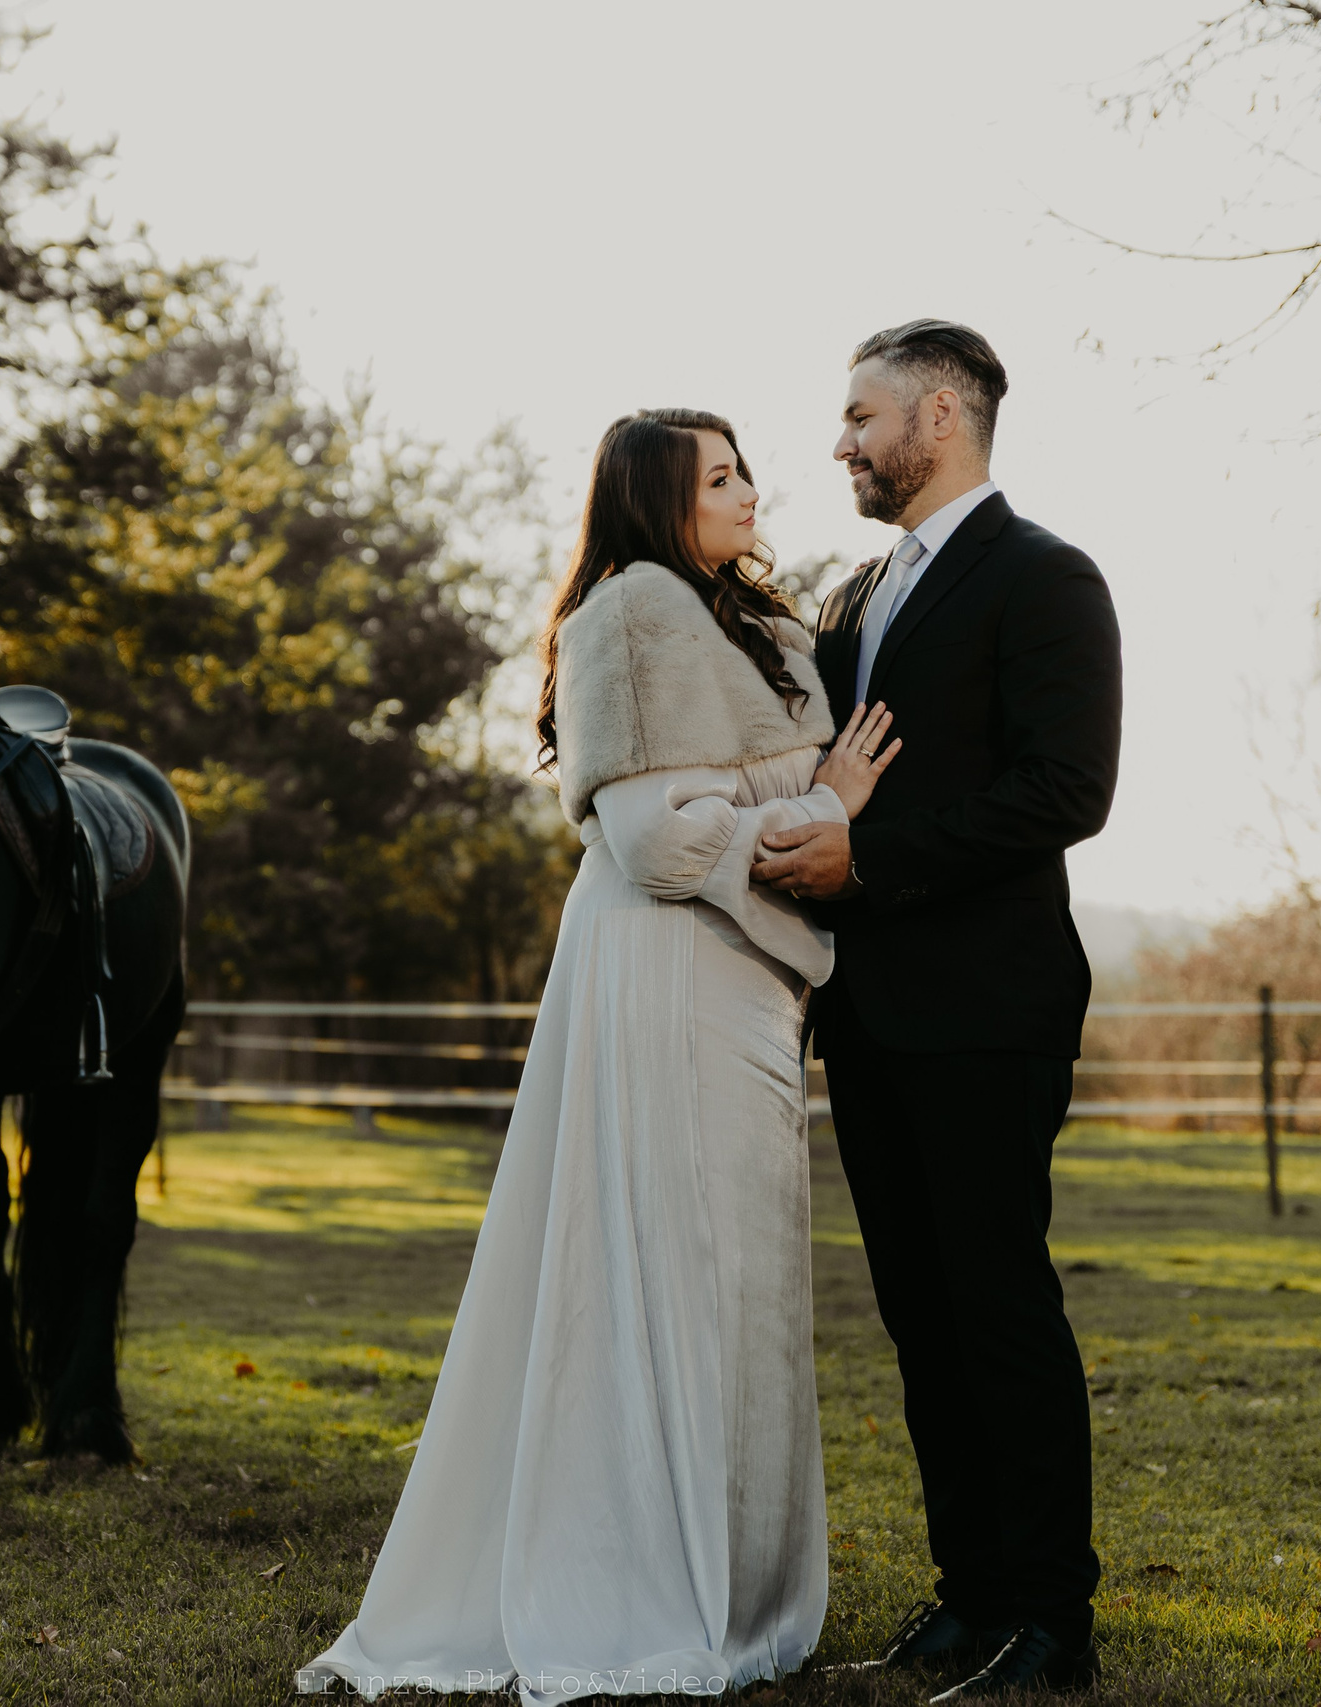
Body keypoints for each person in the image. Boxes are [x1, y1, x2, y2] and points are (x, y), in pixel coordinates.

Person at [297, 408, 899, 1705]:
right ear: (654, 500)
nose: (748, 491)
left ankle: (742, 1591)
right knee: (679, 1266)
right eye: (719, 477)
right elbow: (662, 843)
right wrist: (831, 809)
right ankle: (649, 1582)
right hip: (669, 969)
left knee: (742, 1282)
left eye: (744, 469)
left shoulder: (750, 621)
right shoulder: (630, 616)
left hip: (745, 978)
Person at [754, 320, 1123, 1700]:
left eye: (862, 418)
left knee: (997, 1303)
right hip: (871, 1017)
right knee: (917, 1310)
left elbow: (1066, 790)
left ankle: (1053, 1622)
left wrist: (876, 860)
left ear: (943, 419)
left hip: (989, 1009)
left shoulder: (1045, 577)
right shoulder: (852, 596)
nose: (842, 444)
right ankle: (968, 1600)